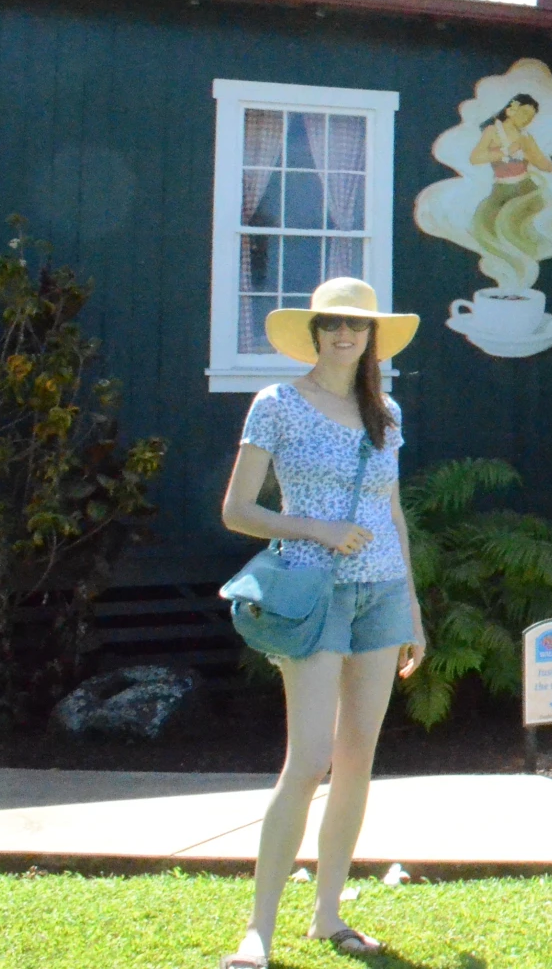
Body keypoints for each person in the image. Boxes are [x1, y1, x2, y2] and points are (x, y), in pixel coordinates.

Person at [219, 277, 424, 967]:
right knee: (308, 759)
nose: (344, 336)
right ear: (314, 332)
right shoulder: (277, 404)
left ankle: (329, 915)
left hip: (382, 596)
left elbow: (392, 513)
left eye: (357, 327)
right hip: (312, 594)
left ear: (371, 339)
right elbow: (239, 510)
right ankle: (259, 930)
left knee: (357, 761)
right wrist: (316, 527)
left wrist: (414, 611)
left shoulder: (385, 412)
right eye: (333, 325)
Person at [467, 93, 552, 288]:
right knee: (490, 226)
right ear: (510, 110)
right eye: (524, 113)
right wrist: (506, 151)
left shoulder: (525, 137)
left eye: (531, 116)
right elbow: (476, 158)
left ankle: (523, 277)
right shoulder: (492, 131)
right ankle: (505, 276)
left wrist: (532, 154)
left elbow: (545, 165)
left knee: (519, 229)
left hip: (525, 188)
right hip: (501, 188)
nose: (527, 119)